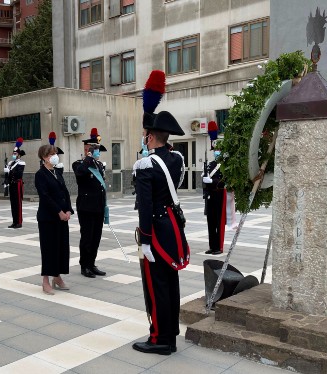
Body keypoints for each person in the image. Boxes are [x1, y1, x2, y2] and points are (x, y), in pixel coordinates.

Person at [133, 70, 190, 356]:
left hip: (155, 230)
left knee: (156, 285)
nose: (143, 139)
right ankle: (171, 334)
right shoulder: (176, 159)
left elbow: (145, 206)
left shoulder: (146, 166)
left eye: (144, 135)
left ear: (150, 136)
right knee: (170, 281)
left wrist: (144, 241)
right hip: (172, 226)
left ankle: (159, 339)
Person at [34, 144, 73, 295]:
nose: (55, 156)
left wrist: (68, 209)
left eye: (55, 153)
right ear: (44, 157)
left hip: (62, 217)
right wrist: (58, 211)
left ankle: (57, 277)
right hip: (48, 218)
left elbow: (65, 191)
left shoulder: (57, 172)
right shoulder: (40, 174)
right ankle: (45, 281)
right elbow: (45, 196)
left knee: (61, 247)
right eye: (51, 154)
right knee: (49, 249)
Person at [72, 128, 108, 278]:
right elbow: (80, 173)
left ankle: (92, 264)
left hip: (98, 206)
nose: (97, 152)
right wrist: (88, 157)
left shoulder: (99, 165)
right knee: (87, 237)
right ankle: (84, 265)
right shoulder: (79, 164)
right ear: (87, 149)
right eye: (94, 149)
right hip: (86, 207)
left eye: (98, 149)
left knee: (96, 237)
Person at [203, 147, 226, 255]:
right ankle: (212, 246)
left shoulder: (225, 165)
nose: (217, 152)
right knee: (210, 222)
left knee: (218, 222)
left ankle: (219, 247)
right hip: (210, 195)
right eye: (216, 150)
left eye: (219, 150)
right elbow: (205, 179)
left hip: (219, 195)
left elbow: (225, 182)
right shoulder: (211, 164)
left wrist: (212, 180)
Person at [5, 138, 25, 228]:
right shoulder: (11, 163)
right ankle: (14, 221)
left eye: (15, 154)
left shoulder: (21, 163)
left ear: (19, 155)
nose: (14, 155)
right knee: (13, 203)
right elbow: (8, 176)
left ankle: (19, 222)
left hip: (17, 184)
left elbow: (19, 174)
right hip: (12, 184)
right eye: (13, 153)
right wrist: (6, 177)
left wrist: (9, 170)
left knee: (18, 203)